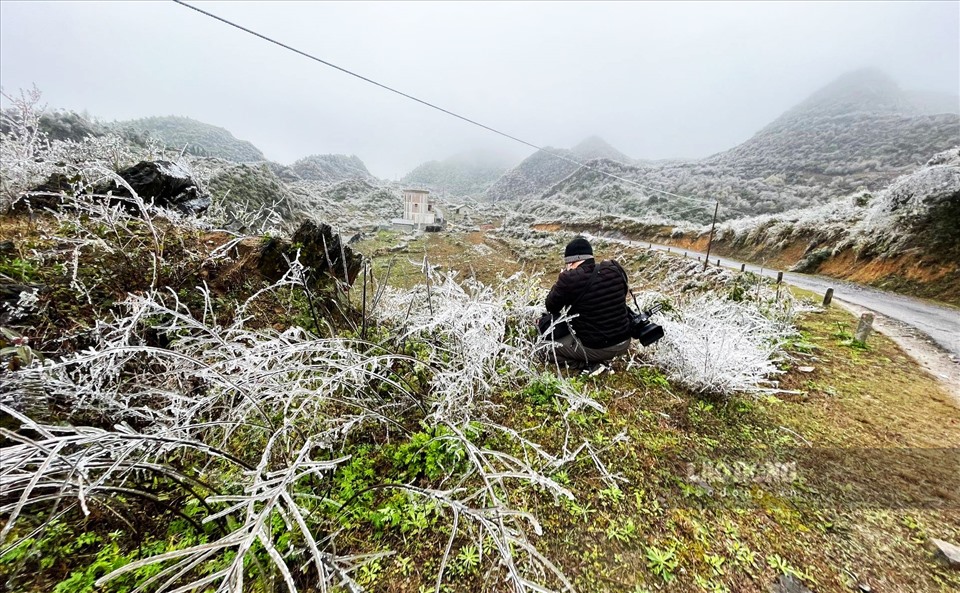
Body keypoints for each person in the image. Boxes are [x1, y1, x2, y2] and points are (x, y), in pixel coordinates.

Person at [539, 236, 631, 369]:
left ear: (570, 262)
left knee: (544, 349)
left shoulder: (570, 278)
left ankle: (591, 364)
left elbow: (551, 306)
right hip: (624, 342)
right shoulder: (614, 269)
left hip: (598, 347)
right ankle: (598, 358)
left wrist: (562, 279)